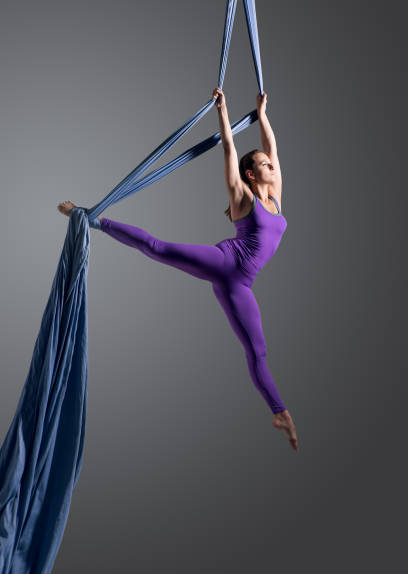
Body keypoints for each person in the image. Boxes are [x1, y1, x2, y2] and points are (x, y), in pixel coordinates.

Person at [57, 88, 299, 451]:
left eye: (270, 164)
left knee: (257, 351)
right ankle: (92, 219)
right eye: (264, 164)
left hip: (241, 286)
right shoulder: (243, 196)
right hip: (225, 261)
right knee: (157, 247)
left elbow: (272, 145)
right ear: (250, 175)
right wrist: (224, 110)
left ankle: (279, 411)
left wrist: (262, 114)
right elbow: (230, 152)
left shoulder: (275, 193)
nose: (272, 166)